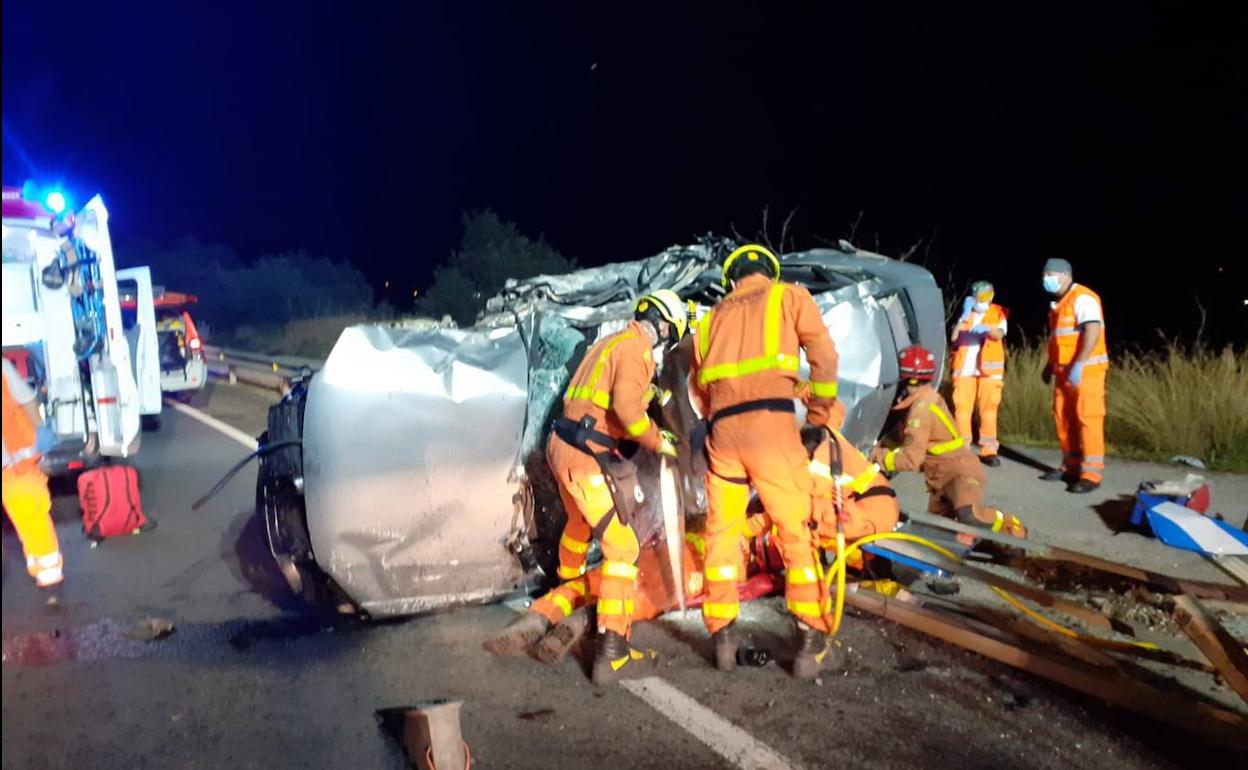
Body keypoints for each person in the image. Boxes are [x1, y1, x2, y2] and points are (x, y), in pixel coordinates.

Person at [484, 290, 688, 686]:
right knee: (623, 548)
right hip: (586, 456)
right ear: (663, 327)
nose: (665, 343)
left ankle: (562, 591)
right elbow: (628, 412)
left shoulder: (609, 343)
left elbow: (612, 392)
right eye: (669, 335)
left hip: (562, 447)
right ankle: (611, 648)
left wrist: (656, 393)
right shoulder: (637, 350)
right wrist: (660, 440)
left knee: (578, 527)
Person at [688, 243, 843, 679]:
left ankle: (722, 637)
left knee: (721, 534)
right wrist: (816, 419)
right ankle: (810, 644)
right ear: (767, 272)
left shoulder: (709, 320)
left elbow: (697, 387)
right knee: (794, 529)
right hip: (773, 429)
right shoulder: (788, 296)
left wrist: (716, 419)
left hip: (724, 435)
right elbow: (825, 359)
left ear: (731, 278)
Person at [869, 345, 1026, 539]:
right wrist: (878, 450)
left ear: (908, 378)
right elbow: (897, 438)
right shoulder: (918, 402)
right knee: (934, 537)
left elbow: (911, 460)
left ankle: (1012, 528)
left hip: (959, 473)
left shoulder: (921, 409)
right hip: (939, 480)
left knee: (970, 517)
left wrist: (875, 456)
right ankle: (985, 543)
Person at [1040, 258, 1108, 493]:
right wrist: (1050, 366)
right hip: (1064, 374)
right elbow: (1059, 340)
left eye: (1050, 274)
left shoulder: (1083, 298)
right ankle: (1070, 467)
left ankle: (1091, 474)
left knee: (1088, 419)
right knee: (1064, 419)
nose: (1046, 279)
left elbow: (1093, 330)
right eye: (1044, 275)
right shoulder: (1060, 305)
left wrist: (1079, 364)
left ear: (1066, 275)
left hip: (1086, 372)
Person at [2, 358, 64, 599]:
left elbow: (26, 400)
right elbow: (27, 399)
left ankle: (49, 577)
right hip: (14, 465)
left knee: (32, 517)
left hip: (15, 464)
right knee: (32, 517)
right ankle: (49, 577)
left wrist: (40, 428)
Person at [949, 280, 1008, 466]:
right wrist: (964, 317)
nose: (983, 299)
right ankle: (962, 449)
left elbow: (999, 334)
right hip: (965, 369)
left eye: (986, 296)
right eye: (979, 296)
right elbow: (953, 337)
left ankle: (988, 450)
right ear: (972, 296)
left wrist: (988, 329)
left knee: (988, 410)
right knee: (962, 409)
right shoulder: (966, 314)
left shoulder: (998, 312)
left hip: (989, 371)